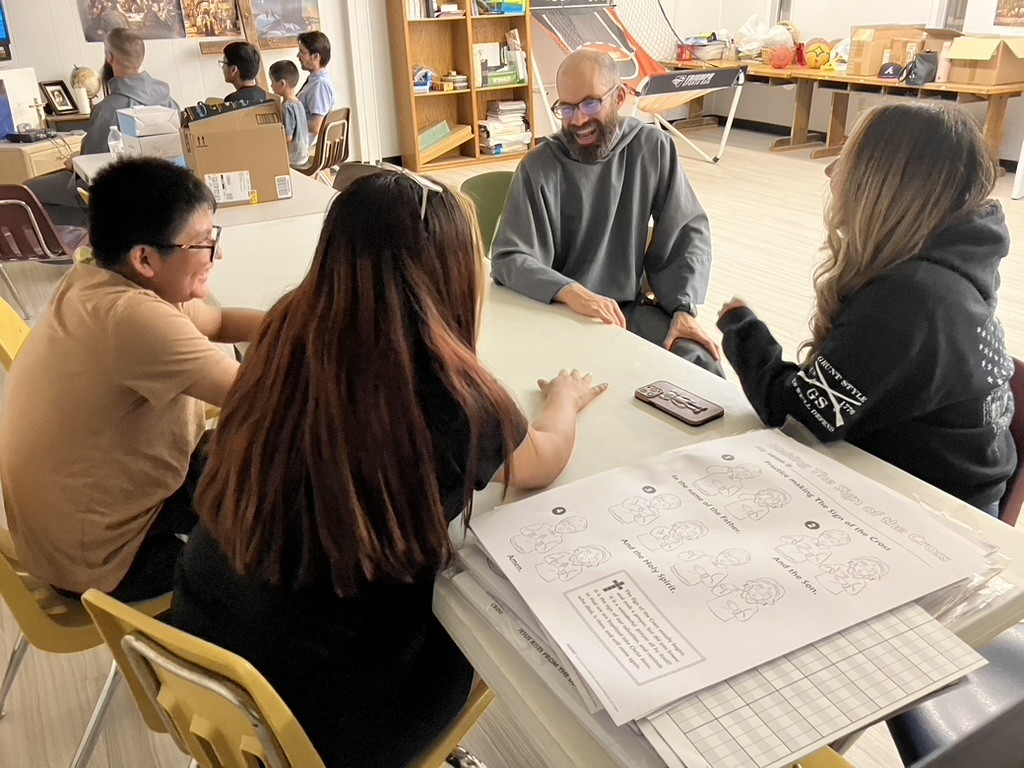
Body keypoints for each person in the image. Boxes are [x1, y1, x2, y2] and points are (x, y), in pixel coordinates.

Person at [171, 169, 607, 766]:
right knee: (484, 626)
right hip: (326, 727)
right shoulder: (456, 397)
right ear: (454, 278)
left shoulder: (283, 333)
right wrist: (565, 396)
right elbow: (543, 461)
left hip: (198, 664)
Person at [717, 102, 1016, 516]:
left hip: (928, 517)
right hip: (952, 493)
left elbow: (796, 417)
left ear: (882, 183)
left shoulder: (911, 299)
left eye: (847, 159)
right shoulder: (957, 263)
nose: (830, 171)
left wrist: (739, 324)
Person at [0, 158, 264, 601]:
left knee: (249, 471)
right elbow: (261, 398)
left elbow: (217, 321)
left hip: (77, 521)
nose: (217, 255)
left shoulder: (99, 278)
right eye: (203, 244)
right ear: (145, 258)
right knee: (276, 533)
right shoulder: (133, 319)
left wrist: (307, 326)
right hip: (102, 560)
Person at [491, 48, 723, 376]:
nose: (580, 120)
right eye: (567, 108)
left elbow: (687, 230)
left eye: (590, 103)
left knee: (700, 360)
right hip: (559, 312)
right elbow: (510, 258)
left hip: (628, 311)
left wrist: (683, 309)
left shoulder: (653, 147)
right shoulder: (539, 166)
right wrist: (570, 292)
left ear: (619, 98)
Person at [27, 27, 179, 227]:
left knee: (26, 192)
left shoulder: (108, 109)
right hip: (162, 186)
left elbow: (94, 171)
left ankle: (92, 237)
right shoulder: (169, 101)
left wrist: (77, 162)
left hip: (118, 190)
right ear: (142, 58)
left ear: (110, 57)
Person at [296, 30, 337, 140]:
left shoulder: (320, 85)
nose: (298, 56)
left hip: (303, 144)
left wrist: (292, 121)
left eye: (301, 52)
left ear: (315, 57)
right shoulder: (315, 81)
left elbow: (316, 127)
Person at [269, 59, 309, 167]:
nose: (271, 85)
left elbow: (288, 137)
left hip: (294, 158)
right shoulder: (298, 102)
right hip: (303, 154)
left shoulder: (287, 107)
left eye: (272, 81)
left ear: (282, 83)